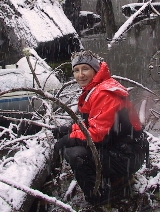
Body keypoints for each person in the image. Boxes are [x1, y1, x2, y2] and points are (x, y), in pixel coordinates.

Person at [52, 50, 147, 206]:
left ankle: (101, 200)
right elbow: (93, 123)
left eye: (85, 69)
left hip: (129, 154)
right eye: (76, 70)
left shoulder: (104, 92)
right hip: (123, 149)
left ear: (95, 70)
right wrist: (69, 130)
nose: (80, 75)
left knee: (75, 154)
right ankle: (118, 180)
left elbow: (96, 135)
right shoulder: (97, 88)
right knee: (73, 143)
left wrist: (67, 140)